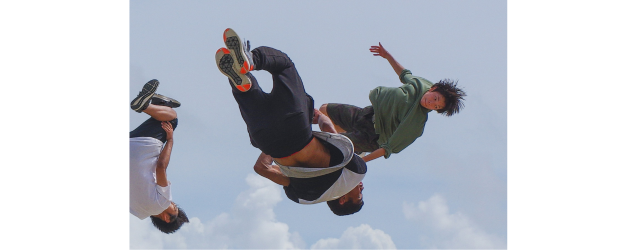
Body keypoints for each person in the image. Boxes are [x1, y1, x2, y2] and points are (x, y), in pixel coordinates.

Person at [215, 28, 366, 216]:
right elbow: (261, 168)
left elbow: (332, 134)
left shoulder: (356, 173)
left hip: (297, 129)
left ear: (342, 200)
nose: (361, 188)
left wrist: (319, 117)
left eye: (359, 195)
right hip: (266, 139)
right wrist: (272, 147)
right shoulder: (304, 197)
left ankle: (251, 60)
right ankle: (240, 77)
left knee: (284, 65)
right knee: (245, 91)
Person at [318, 43, 467, 162]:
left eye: (436, 107)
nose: (431, 104)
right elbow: (404, 74)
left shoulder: (415, 124)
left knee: (332, 144)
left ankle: (351, 150)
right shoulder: (422, 84)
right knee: (324, 110)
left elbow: (387, 148)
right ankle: (349, 146)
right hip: (368, 114)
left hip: (373, 137)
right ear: (433, 88)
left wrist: (362, 163)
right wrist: (387, 56)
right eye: (435, 99)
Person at [130, 79, 189, 233]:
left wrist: (170, 140)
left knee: (172, 118)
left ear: (166, 218)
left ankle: (147, 105)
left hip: (143, 145)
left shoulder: (162, 203)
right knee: (161, 116)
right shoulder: (135, 211)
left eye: (174, 207)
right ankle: (160, 103)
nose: (172, 203)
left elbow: (161, 167)